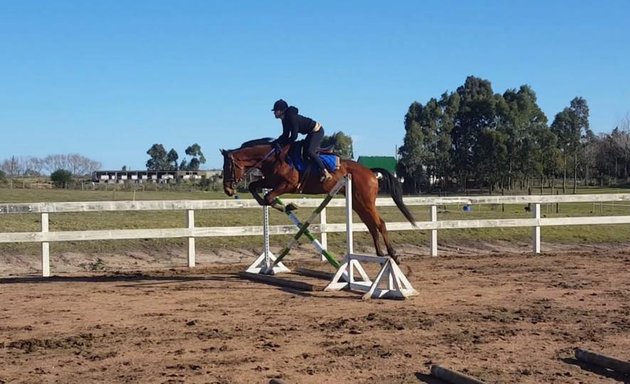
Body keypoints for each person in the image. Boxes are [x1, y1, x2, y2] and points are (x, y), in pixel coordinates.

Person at [272, 99, 332, 182]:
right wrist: (276, 141)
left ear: (282, 111)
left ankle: (325, 172)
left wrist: (286, 143)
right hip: (310, 133)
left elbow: (294, 136)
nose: (274, 113)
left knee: (310, 151)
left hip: (317, 131)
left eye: (276, 110)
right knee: (304, 153)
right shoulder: (284, 119)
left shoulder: (292, 118)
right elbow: (285, 134)